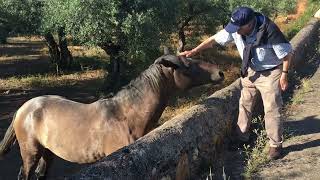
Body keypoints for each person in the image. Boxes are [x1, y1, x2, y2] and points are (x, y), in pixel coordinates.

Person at [179, 6, 292, 160]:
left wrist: (284, 75)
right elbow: (213, 40)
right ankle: (242, 137)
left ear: (250, 24)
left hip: (271, 72)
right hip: (250, 70)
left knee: (272, 108)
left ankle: (275, 145)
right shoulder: (236, 29)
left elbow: (287, 54)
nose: (234, 31)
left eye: (238, 28)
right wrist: (194, 51)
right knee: (244, 104)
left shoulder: (270, 31)